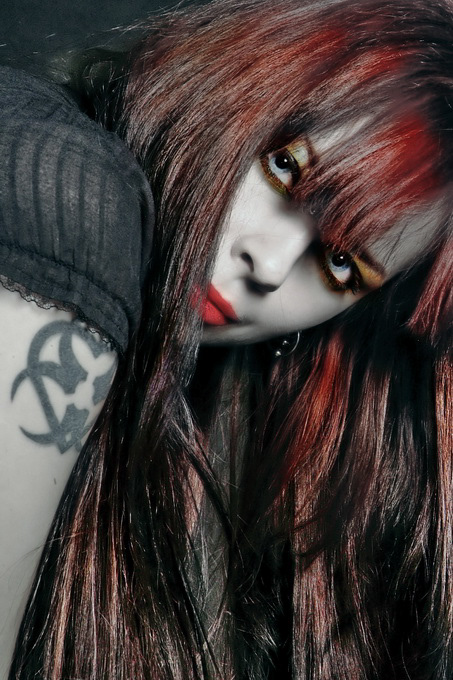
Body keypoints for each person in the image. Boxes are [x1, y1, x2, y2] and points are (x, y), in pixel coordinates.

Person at [0, 0, 451, 677]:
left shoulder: (247, 426)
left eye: (339, 265)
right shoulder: (59, 185)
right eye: (284, 170)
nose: (269, 266)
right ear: (237, 78)